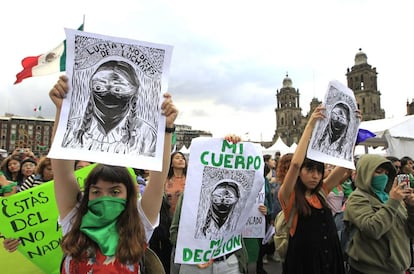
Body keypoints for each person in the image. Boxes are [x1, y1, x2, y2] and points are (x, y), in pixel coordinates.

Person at [49, 75, 178, 273]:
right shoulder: (75, 220)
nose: (104, 197)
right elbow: (61, 169)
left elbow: (158, 175)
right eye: (96, 191)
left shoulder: (140, 224)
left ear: (129, 195)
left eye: (115, 191)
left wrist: (167, 128)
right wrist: (63, 111)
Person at [278, 105, 355, 274]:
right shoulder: (288, 196)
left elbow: (344, 166)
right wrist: (310, 124)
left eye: (319, 171)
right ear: (299, 173)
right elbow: (296, 163)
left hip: (330, 260)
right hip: (305, 264)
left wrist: (352, 129)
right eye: (310, 170)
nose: (315, 176)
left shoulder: (321, 193)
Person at [169, 134, 249, 274]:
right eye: (217, 197)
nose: (222, 202)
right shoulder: (188, 195)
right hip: (195, 264)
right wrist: (196, 252)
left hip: (228, 264)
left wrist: (236, 147)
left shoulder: (236, 193)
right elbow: (174, 232)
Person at [65, 60, 157, 155]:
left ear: (133, 93)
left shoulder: (146, 133)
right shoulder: (73, 126)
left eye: (118, 89)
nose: (108, 96)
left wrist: (167, 129)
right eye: (99, 87)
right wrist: (61, 109)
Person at [343, 154, 414, 274]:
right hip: (371, 270)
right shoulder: (357, 198)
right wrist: (394, 201)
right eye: (379, 172)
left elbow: (409, 232)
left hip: (398, 268)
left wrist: (411, 208)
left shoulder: (388, 196)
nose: (383, 177)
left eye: (386, 173)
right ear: (366, 173)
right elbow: (372, 229)